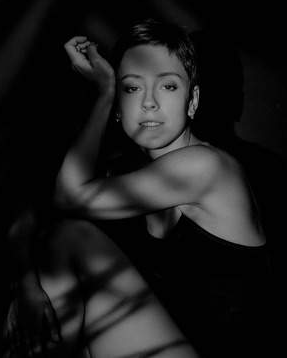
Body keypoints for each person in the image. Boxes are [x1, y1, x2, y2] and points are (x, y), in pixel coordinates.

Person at [55, 18, 273, 355]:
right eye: (131, 88)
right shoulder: (129, 173)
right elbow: (41, 215)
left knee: (72, 238)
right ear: (120, 108)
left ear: (193, 100)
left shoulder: (206, 166)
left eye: (168, 86)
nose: (149, 102)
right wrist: (27, 281)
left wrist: (105, 92)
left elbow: (69, 197)